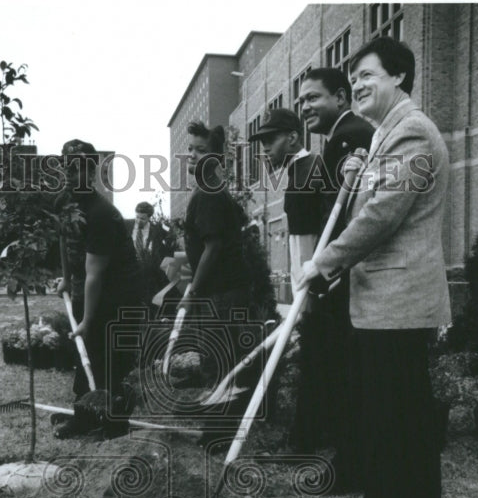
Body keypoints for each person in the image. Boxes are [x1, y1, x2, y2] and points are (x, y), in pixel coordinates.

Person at [300, 36, 450, 498]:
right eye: (356, 77)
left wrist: (324, 260)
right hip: (390, 297)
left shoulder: (411, 133)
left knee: (390, 413)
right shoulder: (391, 134)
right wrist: (357, 176)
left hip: (397, 298)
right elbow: (378, 200)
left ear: (399, 77)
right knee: (406, 408)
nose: (359, 84)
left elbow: (383, 214)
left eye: (369, 75)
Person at [249, 108, 350, 455]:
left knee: (318, 359)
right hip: (304, 280)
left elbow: (327, 229)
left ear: (293, 137)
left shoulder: (313, 169)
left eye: (270, 140)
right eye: (261, 142)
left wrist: (318, 283)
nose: (264, 149)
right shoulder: (295, 172)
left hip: (319, 283)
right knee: (314, 358)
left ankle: (308, 440)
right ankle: (311, 435)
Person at [298, 69, 375, 477]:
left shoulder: (353, 135)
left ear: (342, 97)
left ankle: (350, 457)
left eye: (314, 98)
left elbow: (353, 212)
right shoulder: (339, 137)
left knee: (347, 365)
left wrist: (333, 267)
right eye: (302, 101)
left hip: (349, 271)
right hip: (339, 267)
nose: (305, 107)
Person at [54, 139, 144, 438]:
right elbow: (65, 242)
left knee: (110, 359)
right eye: (67, 166)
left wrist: (87, 321)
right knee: (85, 357)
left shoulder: (101, 213)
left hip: (120, 294)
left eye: (79, 168)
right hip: (92, 288)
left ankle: (115, 423)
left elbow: (95, 273)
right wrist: (67, 279)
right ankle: (84, 416)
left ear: (91, 171)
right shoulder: (64, 203)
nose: (71, 173)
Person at [181, 121, 271, 413]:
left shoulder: (209, 193)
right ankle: (223, 411)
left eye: (201, 150)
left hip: (222, 292)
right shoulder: (209, 189)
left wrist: (193, 290)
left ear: (215, 157)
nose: (193, 155)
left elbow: (213, 246)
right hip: (223, 290)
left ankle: (223, 420)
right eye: (190, 149)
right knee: (223, 354)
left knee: (222, 356)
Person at [130, 201, 175, 312]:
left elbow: (171, 234)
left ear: (149, 218)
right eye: (137, 217)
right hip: (132, 269)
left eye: (142, 218)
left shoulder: (157, 229)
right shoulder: (128, 226)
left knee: (150, 300)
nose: (138, 221)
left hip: (150, 272)